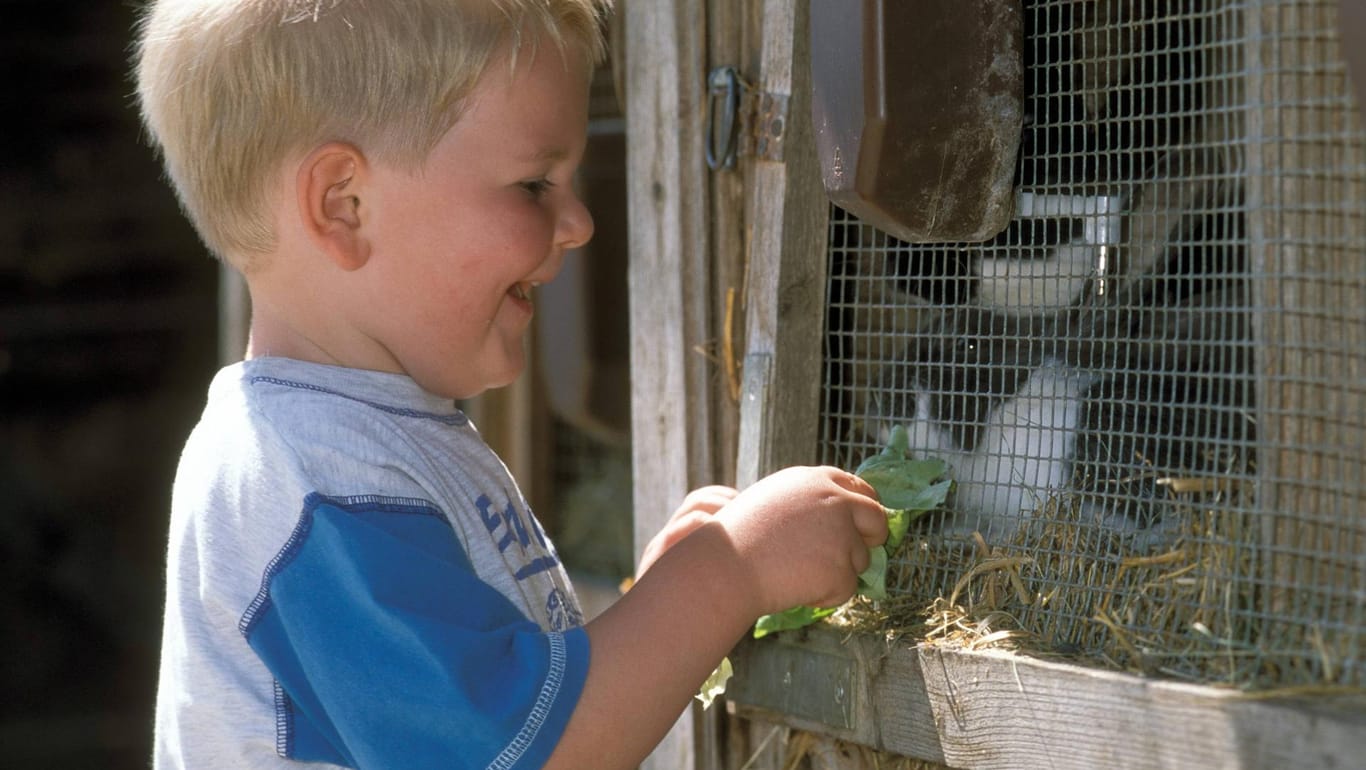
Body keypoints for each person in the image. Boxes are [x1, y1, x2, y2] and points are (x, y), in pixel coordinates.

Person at [135, 1, 888, 768]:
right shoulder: (316, 476)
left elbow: (515, 711)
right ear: (344, 205)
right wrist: (729, 572)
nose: (579, 222)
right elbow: (526, 753)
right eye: (534, 185)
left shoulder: (345, 445)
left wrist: (656, 607)